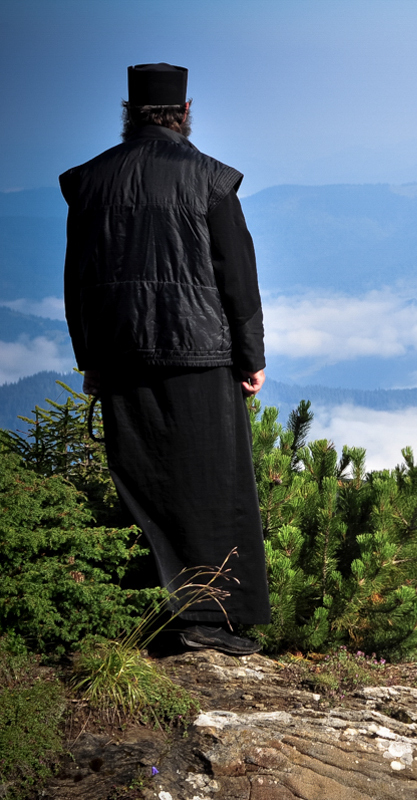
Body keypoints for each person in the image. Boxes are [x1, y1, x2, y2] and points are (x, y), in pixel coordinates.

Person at [60, 63, 270, 655]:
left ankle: (148, 614)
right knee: (209, 485)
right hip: (201, 353)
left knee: (142, 483)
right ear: (184, 112)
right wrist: (250, 354)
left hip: (122, 352)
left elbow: (78, 280)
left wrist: (89, 357)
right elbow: (239, 279)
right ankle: (209, 620)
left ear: (129, 114)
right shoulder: (209, 180)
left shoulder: (92, 180)